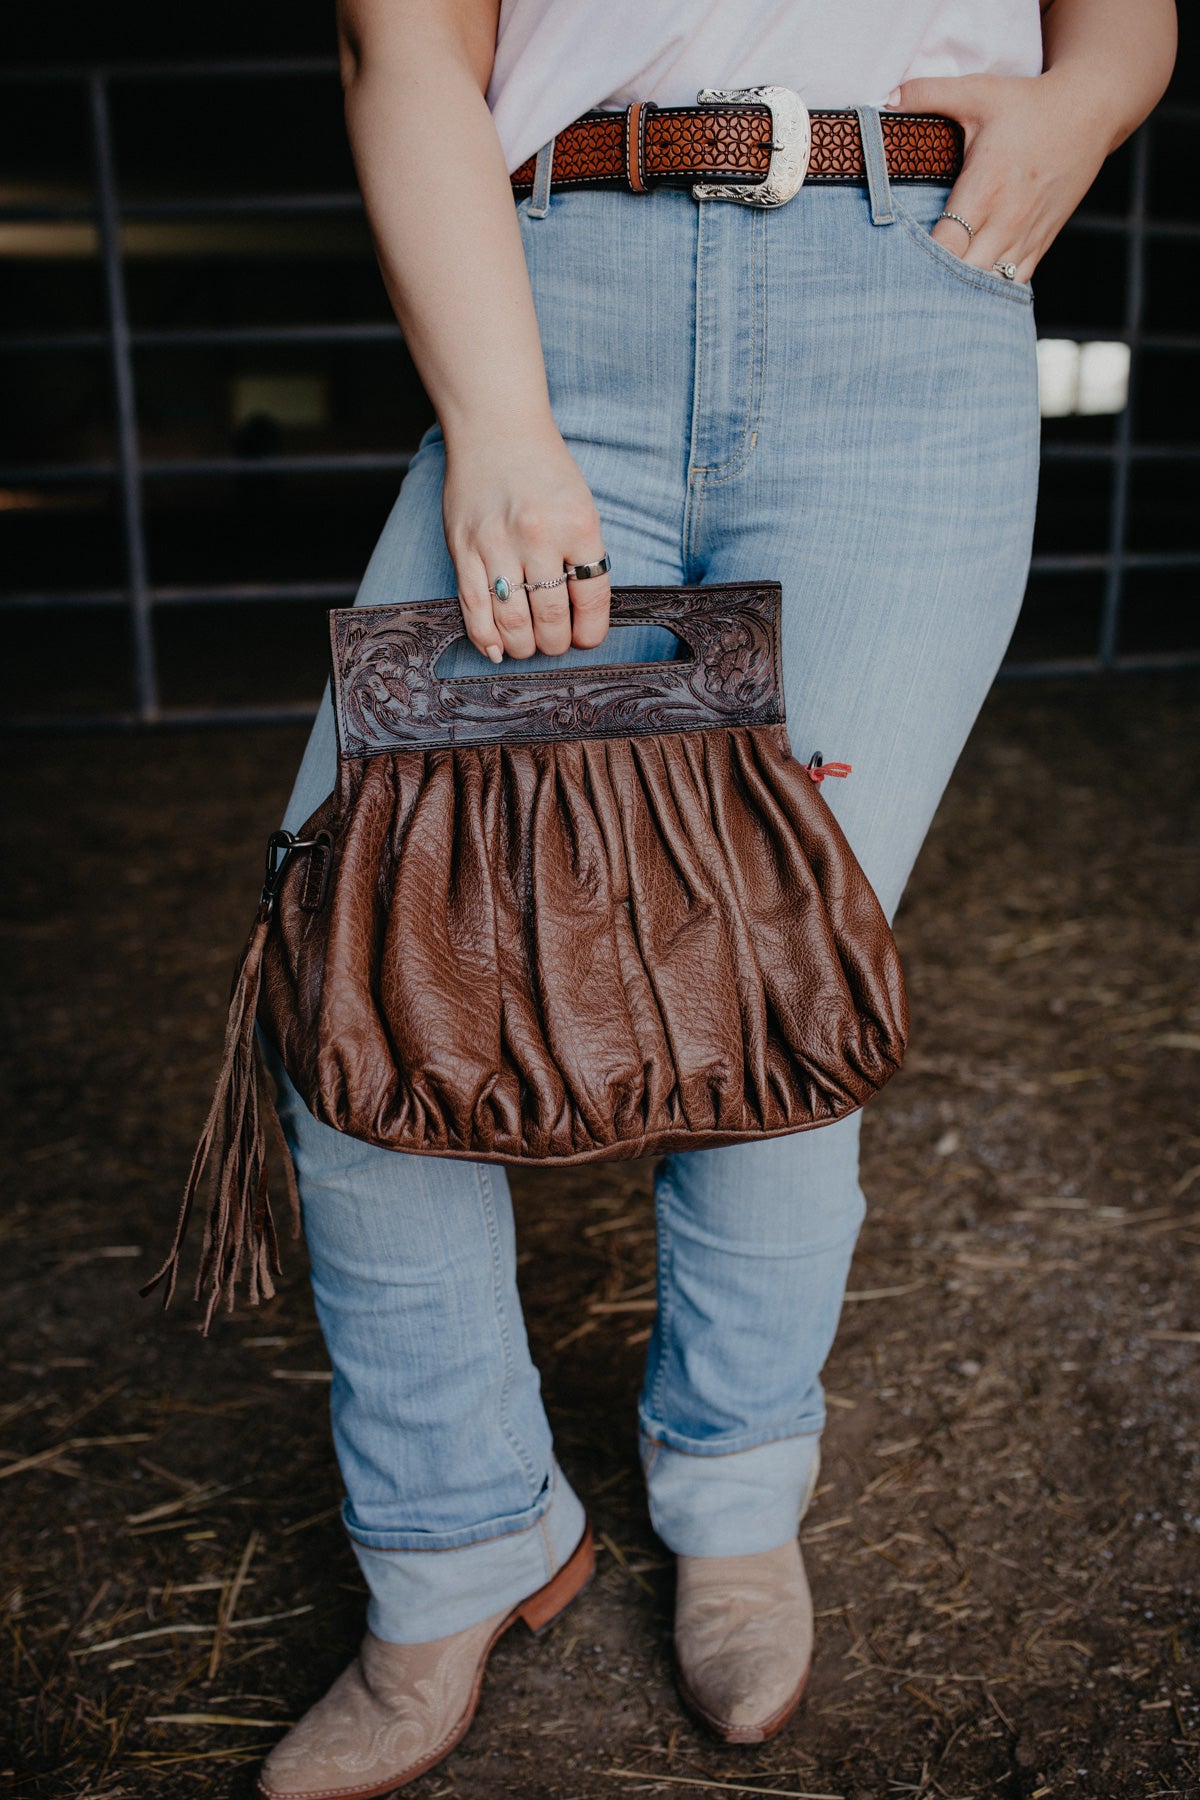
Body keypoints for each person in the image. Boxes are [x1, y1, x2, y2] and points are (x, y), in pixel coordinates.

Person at [253, 2, 1176, 1794]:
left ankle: (739, 1502)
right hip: (547, 302)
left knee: (766, 998)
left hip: (907, 299)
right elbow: (403, 48)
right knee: (363, 986)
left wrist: (1099, 98)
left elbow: (1122, 21)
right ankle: (454, 1546)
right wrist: (500, 422)